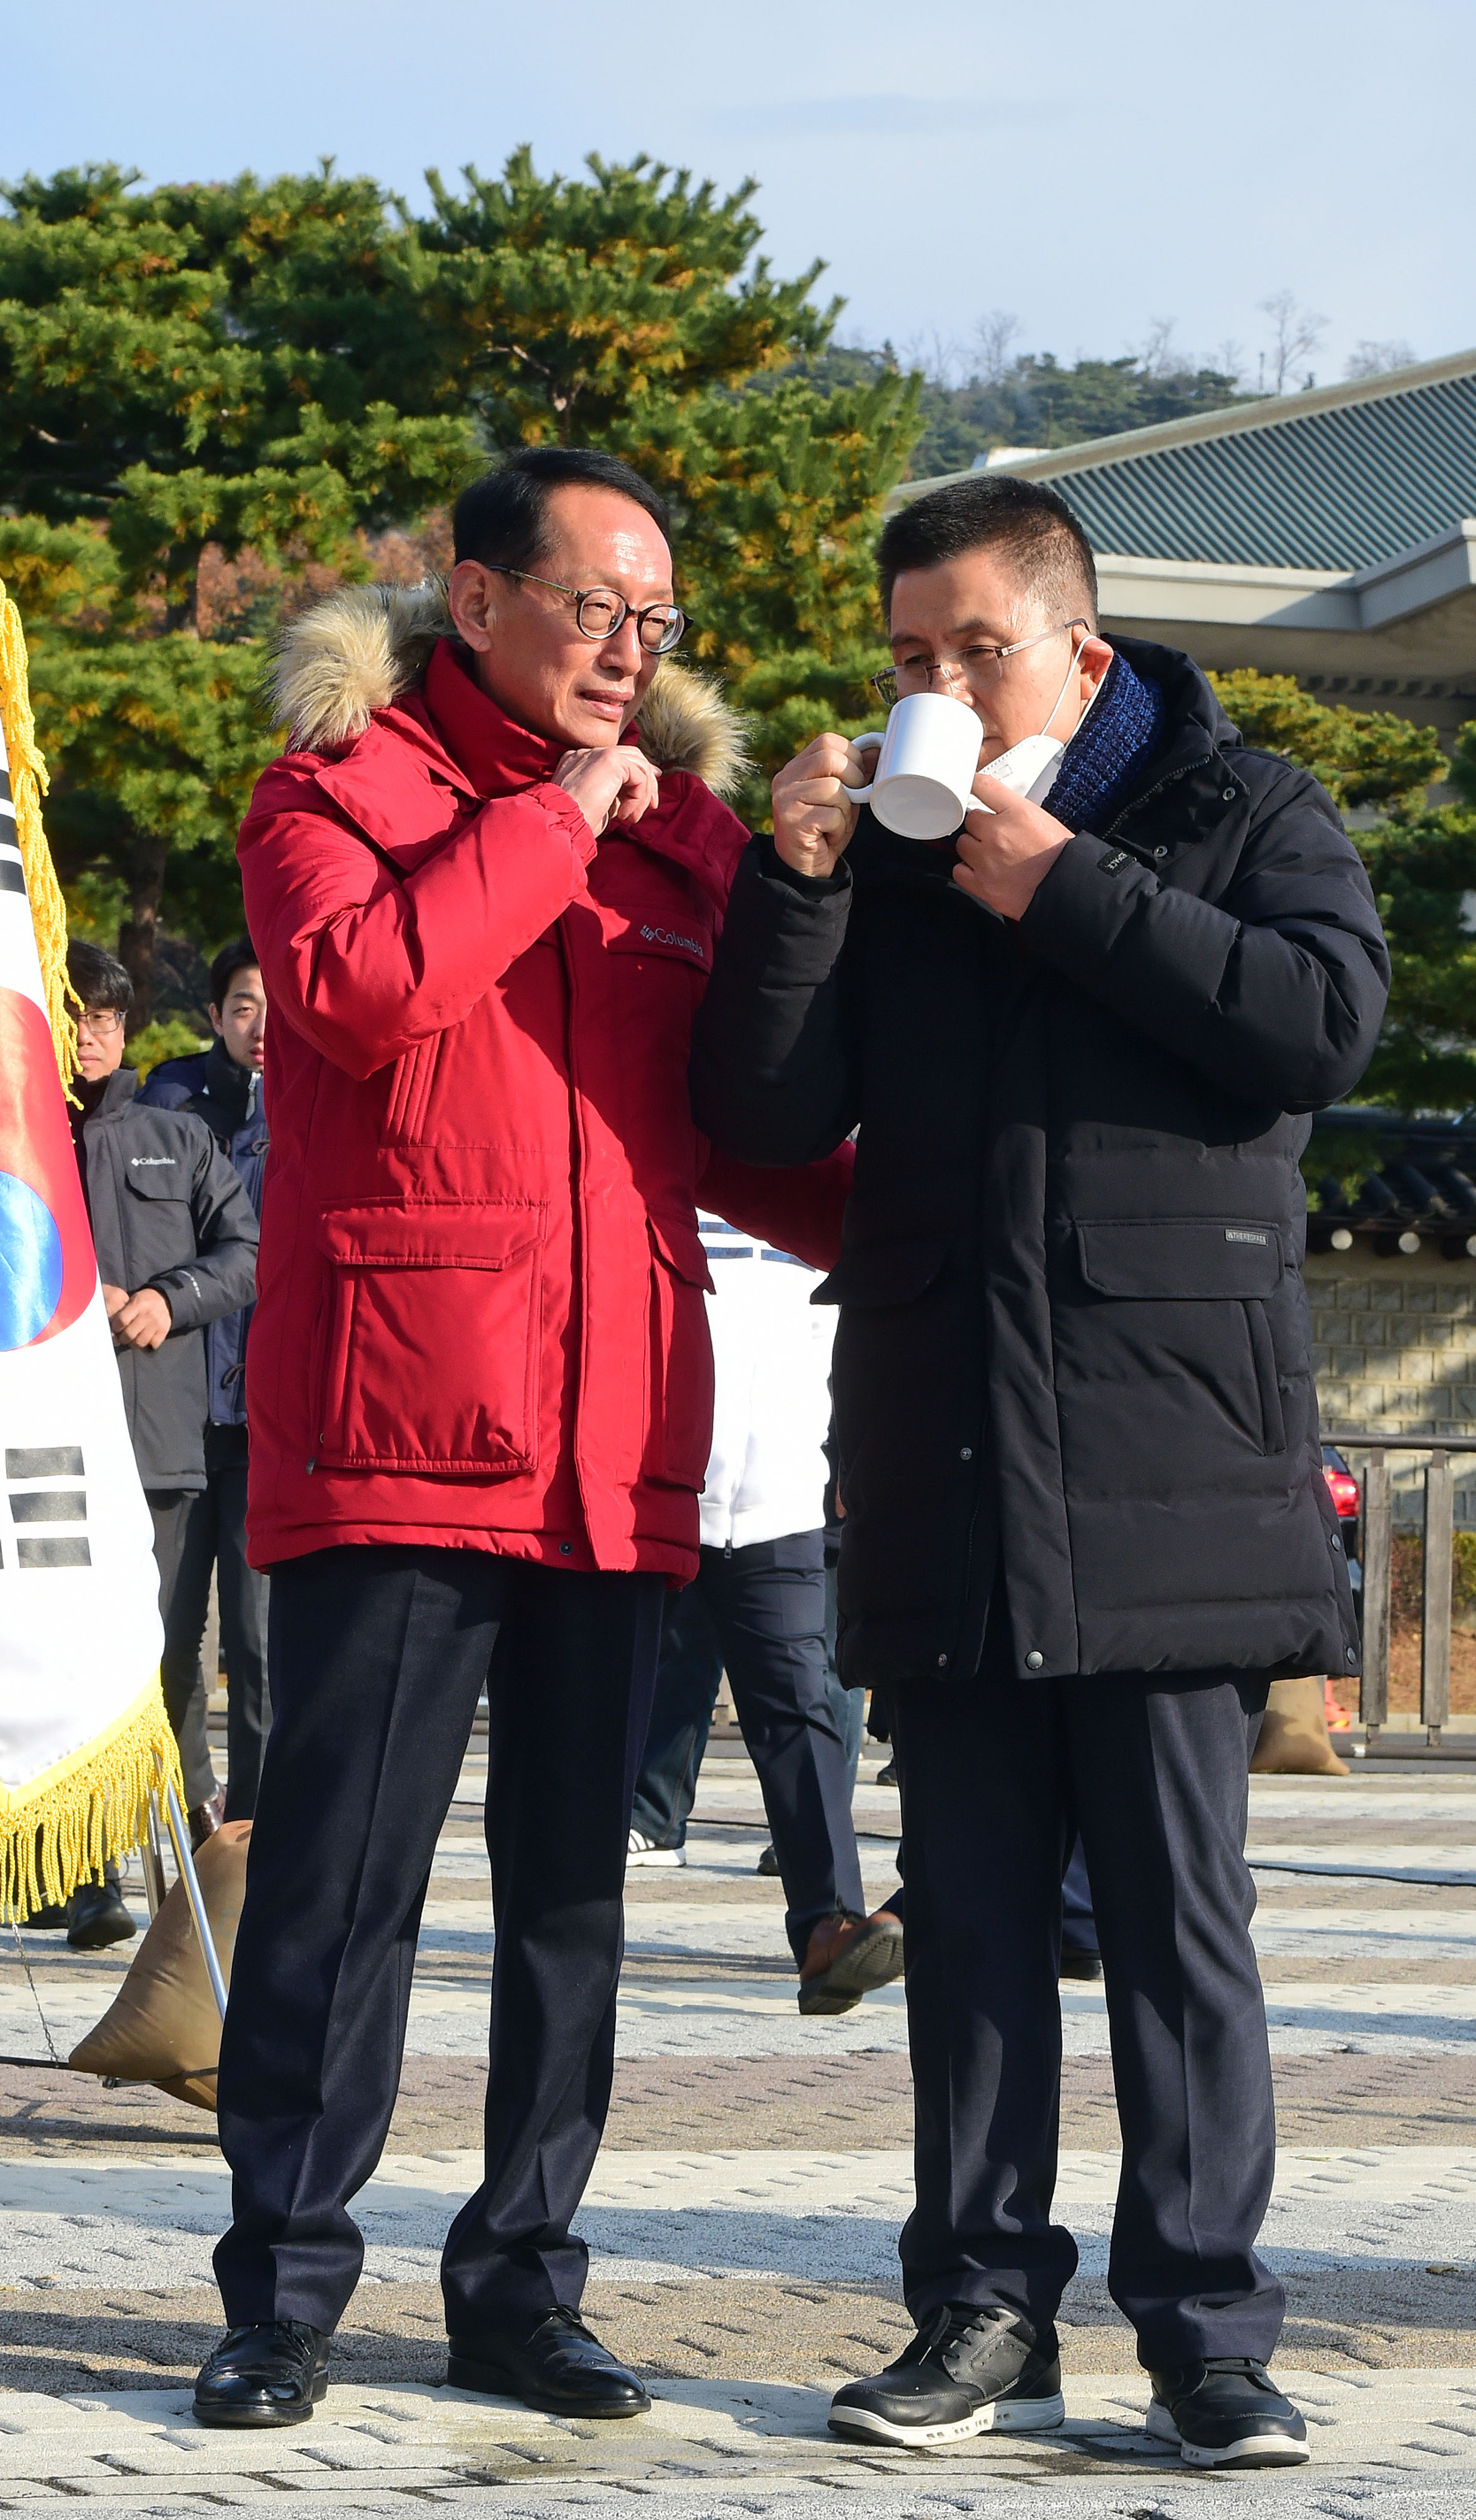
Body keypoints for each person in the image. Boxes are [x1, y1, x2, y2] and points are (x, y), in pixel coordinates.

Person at [690, 474, 1388, 2470]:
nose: (938, 686)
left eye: (975, 651)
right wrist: (798, 883)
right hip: (947, 1450)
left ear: (1077, 655)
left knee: (1177, 1926)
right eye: (908, 655)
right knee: (974, 1928)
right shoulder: (888, 857)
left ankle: (1207, 2335)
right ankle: (980, 2307)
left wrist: (1061, 880)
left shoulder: (1244, 808)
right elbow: (759, 1106)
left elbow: (1316, 1026)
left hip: (1175, 1461)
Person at [196, 448, 850, 2431]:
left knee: (577, 1892)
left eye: (657, 621)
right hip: (398, 1424)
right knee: (341, 1886)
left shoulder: (693, 841)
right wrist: (558, 817)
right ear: (475, 598)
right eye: (595, 608)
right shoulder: (335, 792)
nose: (629, 650)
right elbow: (363, 993)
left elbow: (747, 1126)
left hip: (616, 1432)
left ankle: (522, 2282)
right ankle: (284, 2287)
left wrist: (935, 1229)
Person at [627, 1211, 901, 2013]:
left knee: (801, 1711)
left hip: (779, 1505)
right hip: (646, 1497)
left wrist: (852, 1463)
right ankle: (564, 1930)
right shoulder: (656, 1171)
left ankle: (829, 1926)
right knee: (608, 1709)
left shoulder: (813, 1182)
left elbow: (851, 1345)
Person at [60, 940, 258, 1919]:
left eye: (102, 1017)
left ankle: (192, 1867)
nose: (87, 1036)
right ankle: (84, 1872)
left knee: (169, 1661)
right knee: (74, 1661)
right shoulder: (9, 1142)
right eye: (70, 1017)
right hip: (53, 1451)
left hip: (162, 1448)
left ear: (126, 1027)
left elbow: (245, 1252)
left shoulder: (175, 1137)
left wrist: (167, 1299)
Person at [139, 942, 273, 1819]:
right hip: (181, 1414)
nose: (261, 1026)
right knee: (168, 1637)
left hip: (269, 1424)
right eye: (243, 1006)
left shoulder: (320, 1096)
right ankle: (194, 1806)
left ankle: (257, 1829)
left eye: (275, 1004)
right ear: (215, 1015)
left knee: (260, 1645)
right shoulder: (170, 1104)